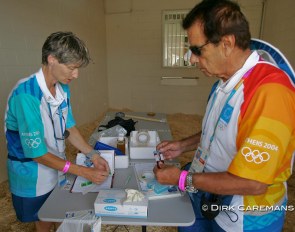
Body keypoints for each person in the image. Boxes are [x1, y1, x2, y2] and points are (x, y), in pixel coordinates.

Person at [154, 1, 295, 231]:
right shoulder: (226, 81)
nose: (191, 59)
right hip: (209, 198)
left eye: (197, 50)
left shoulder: (270, 92)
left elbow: (253, 182)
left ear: (227, 44)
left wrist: (182, 179)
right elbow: (220, 130)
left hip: (244, 218)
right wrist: (183, 145)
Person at [4, 31, 110, 232]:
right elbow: (36, 154)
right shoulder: (26, 95)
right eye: (72, 68)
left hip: (58, 167)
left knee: (61, 214)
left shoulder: (62, 88)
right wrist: (83, 171)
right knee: (43, 220)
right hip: (32, 176)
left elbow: (69, 127)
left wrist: (93, 155)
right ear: (51, 59)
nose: (76, 74)